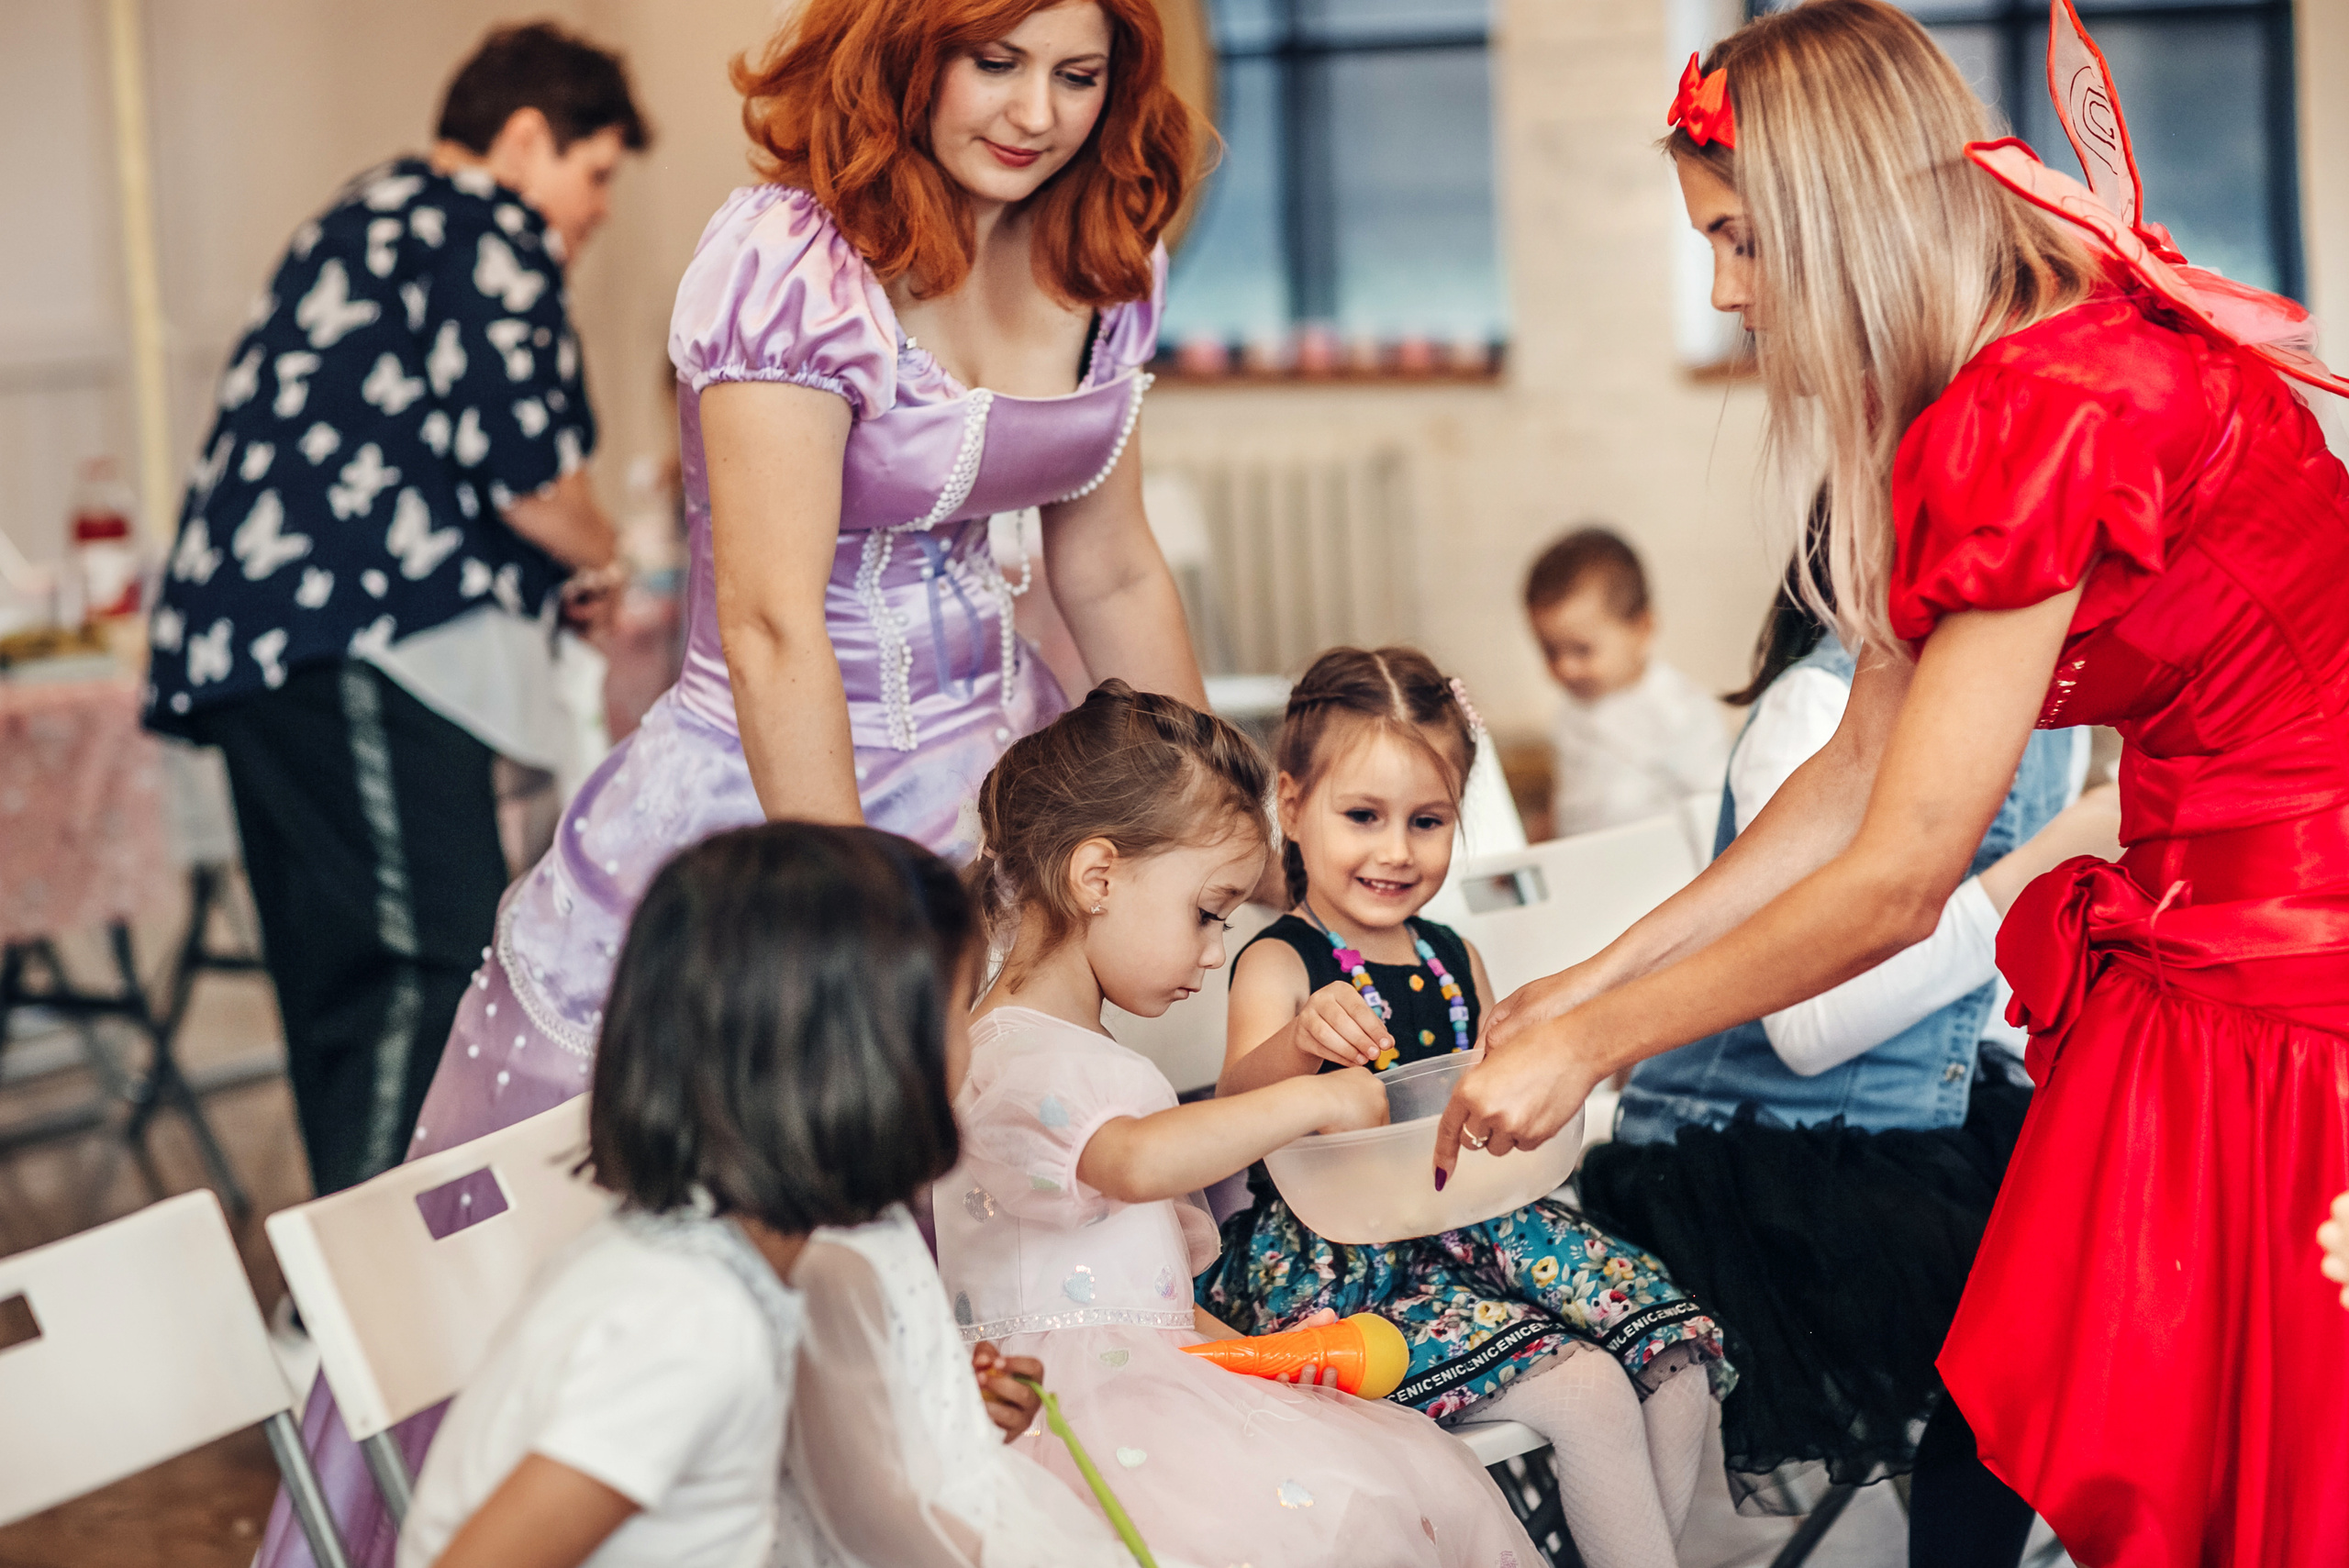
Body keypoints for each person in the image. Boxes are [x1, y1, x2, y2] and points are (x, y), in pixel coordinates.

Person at [260, 6, 1208, 1561]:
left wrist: (1205, 826)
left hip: (1003, 787)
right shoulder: (791, 257)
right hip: (778, 802)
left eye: (1080, 74)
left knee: (1020, 1207)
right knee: (696, 1210)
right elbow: (772, 628)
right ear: (908, 46)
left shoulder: (1100, 250)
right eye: (996, 60)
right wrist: (860, 944)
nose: (1039, 112)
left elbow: (1107, 570)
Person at [1438, 4, 2349, 1562]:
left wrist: (1595, 1043)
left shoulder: (2046, 403)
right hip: (2203, 916)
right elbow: (1851, 771)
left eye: (1739, 241)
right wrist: (1584, 980)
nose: (1725, 292)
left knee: (2192, 1438)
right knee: (2021, 1412)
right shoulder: (1990, 381)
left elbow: (1900, 876)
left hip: (2288, 957)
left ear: (1839, 214)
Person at [143, 22, 644, 1199]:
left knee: (341, 982)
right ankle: (375, 1285)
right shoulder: (482, 223)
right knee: (420, 972)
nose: (598, 210)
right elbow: (530, 477)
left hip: (268, 657)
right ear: (525, 139)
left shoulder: (363, 217)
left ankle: (344, 1270)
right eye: (594, 173)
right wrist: (608, 555)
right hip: (359, 650)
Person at [1575, 558, 2122, 1562]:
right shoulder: (1815, 707)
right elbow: (1811, 1026)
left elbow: (1975, 1001)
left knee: (2123, 1250)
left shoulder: (2050, 722)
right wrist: (2030, 872)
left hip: (1919, 1119)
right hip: (1757, 1149)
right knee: (2019, 1323)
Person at [934, 683, 1540, 1568]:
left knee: (1387, 1472)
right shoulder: (1005, 1054)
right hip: (1069, 1419)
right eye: (1206, 912)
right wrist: (1313, 1098)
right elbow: (1131, 1161)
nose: (1217, 949)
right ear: (1097, 877)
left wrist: (1269, 1355)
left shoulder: (1084, 1053)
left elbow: (1151, 1304)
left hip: (1158, 1386)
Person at [1196, 647, 1728, 1568]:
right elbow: (1230, 1115)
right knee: (1591, 1391)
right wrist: (1299, 1042)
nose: (1396, 850)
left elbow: (1486, 1095)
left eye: (1428, 820)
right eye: (1362, 815)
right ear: (1292, 803)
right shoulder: (1280, 961)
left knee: (1677, 1363)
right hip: (1346, 1262)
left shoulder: (1453, 955)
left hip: (1486, 1222)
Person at [1525, 527, 1727, 839]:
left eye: (1582, 650)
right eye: (1550, 651)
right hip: (1584, 857)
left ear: (1641, 629)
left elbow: (1715, 804)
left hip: (1660, 860)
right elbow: (1573, 797)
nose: (1566, 668)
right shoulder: (1573, 710)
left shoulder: (1678, 709)